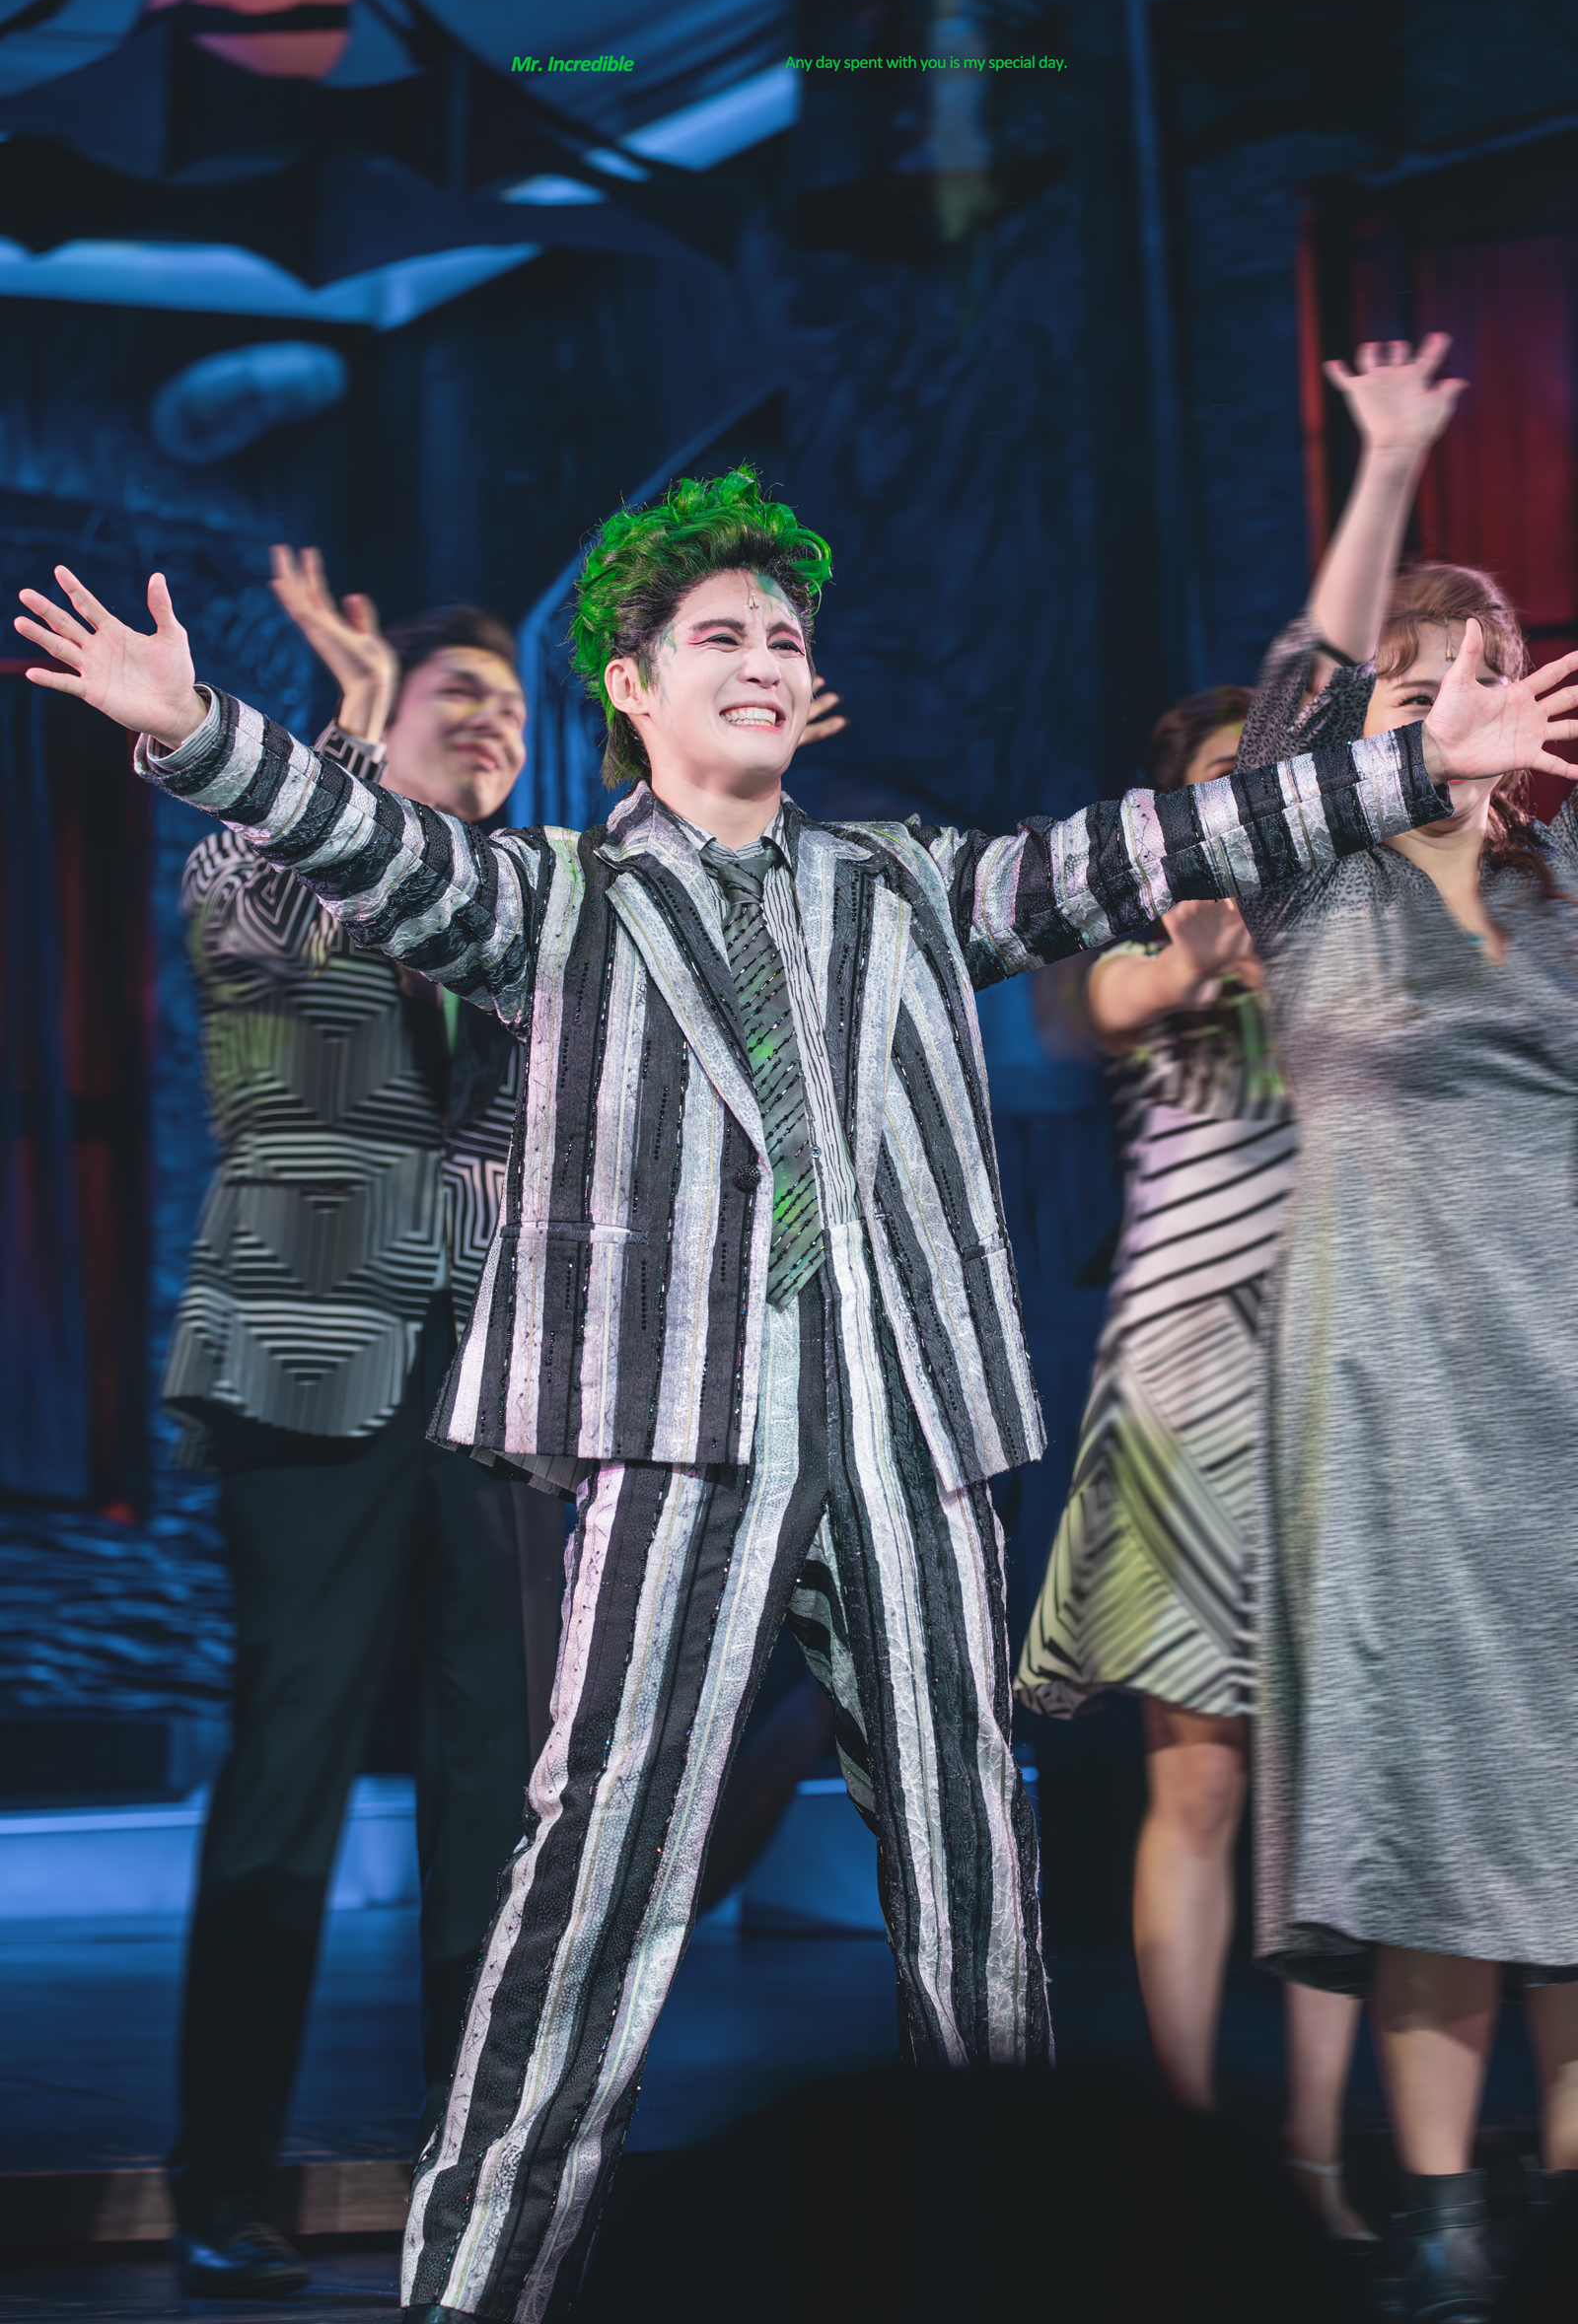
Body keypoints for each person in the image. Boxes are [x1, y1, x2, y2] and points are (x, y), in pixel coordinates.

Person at [15, 462, 1571, 2324]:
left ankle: (1015, 2279)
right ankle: (478, 2289)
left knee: (975, 1886)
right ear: (635, 688)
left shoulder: (904, 880)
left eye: (783, 636)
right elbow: (375, 848)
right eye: (722, 637)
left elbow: (1151, 845)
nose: (763, 660)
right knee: (593, 1881)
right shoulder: (560, 897)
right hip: (682, 1442)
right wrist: (195, 723)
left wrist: (1406, 768)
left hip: (909, 1431)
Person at [143, 561, 568, 2297]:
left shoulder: (530, 905)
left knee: (496, 1788)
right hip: (310, 1362)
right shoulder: (265, 864)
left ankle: (475, 2173)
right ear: (379, 725)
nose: (489, 722)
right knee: (291, 1769)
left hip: (494, 1388)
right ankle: (223, 2176)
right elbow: (247, 900)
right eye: (454, 695)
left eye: (510, 706)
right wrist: (340, 725)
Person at [1229, 334, 1578, 2319]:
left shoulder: (1567, 883)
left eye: (1488, 664)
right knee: (1434, 1780)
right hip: (1382, 1387)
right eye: (1418, 674)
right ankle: (1440, 2215)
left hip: (1561, 1380)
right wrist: (1382, 471)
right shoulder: (1309, 885)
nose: (1457, 694)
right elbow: (1292, 698)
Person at [1015, 683, 1370, 2241]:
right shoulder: (1141, 922)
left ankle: (1317, 2159)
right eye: (1233, 780)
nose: (1260, 801)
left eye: (1279, 778)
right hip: (1184, 1377)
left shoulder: (1358, 926)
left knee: (1333, 1794)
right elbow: (1113, 1004)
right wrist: (1214, 932)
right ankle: (1178, 2162)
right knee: (1202, 1777)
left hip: (1344, 1364)